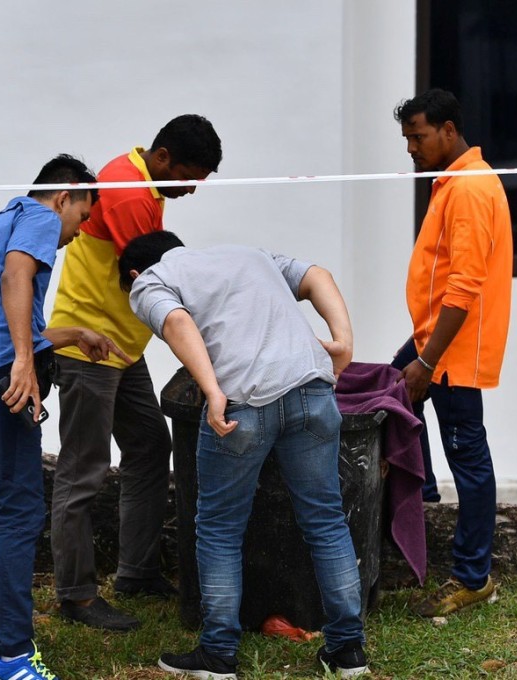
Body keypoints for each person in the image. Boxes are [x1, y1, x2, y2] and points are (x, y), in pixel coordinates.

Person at [120, 231, 370, 680]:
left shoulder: (150, 280)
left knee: (218, 528)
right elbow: (318, 276)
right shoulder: (248, 255)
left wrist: (213, 391)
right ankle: (348, 651)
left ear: (134, 274)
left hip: (244, 405)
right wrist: (344, 340)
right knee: (326, 520)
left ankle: (218, 656)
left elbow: (176, 323)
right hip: (313, 391)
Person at [0, 155, 130, 680]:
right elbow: (16, 277)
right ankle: (13, 657)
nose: (77, 233)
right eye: (83, 218)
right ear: (65, 197)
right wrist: (25, 362)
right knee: (20, 514)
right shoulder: (41, 217)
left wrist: (69, 335)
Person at [47, 115, 223, 631]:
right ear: (163, 157)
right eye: (189, 177)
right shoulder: (127, 191)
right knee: (83, 470)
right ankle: (76, 596)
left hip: (122, 348)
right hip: (87, 347)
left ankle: (137, 572)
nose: (191, 189)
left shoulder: (142, 180)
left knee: (148, 446)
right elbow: (152, 280)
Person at [392, 89, 513, 617]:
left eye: (418, 137)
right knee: (390, 399)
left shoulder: (469, 188)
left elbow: (464, 286)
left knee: (469, 455)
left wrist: (428, 362)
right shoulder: (453, 182)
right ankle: (423, 501)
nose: (412, 148)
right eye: (408, 140)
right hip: (432, 338)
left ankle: (473, 577)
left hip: (451, 351)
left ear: (447, 130)